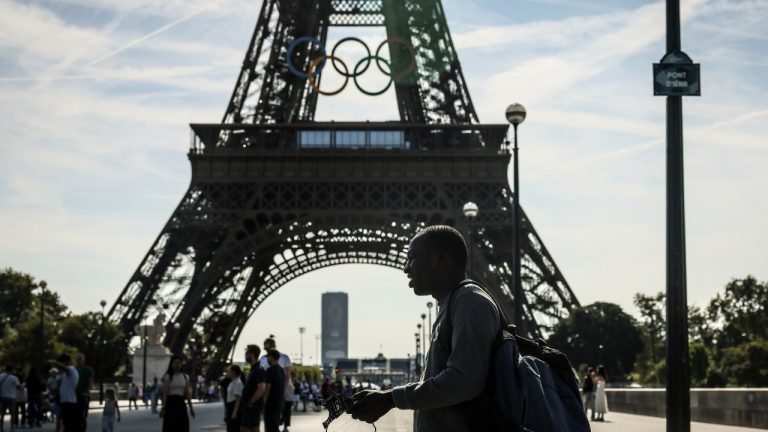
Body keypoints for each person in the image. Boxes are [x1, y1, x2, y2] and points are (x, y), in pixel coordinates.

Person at [347, 225, 502, 431]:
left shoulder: (470, 302)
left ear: (440, 260)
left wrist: (390, 399)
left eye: (412, 258)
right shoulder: (455, 303)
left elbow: (464, 380)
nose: (406, 268)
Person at [160, 355, 195, 432]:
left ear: (181, 364)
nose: (177, 365)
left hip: (181, 403)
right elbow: (165, 393)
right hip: (170, 404)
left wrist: (191, 408)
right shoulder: (168, 377)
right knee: (170, 427)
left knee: (182, 426)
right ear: (171, 364)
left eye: (179, 363)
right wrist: (163, 408)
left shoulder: (185, 377)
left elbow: (187, 393)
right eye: (175, 363)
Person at [50, 354, 81, 432]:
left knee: (69, 425)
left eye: (61, 362)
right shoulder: (64, 375)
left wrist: (54, 362)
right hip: (65, 401)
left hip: (69, 402)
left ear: (66, 362)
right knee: (66, 424)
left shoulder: (72, 370)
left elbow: (62, 367)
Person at [240, 345, 266, 432]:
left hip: (253, 406)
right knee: (244, 428)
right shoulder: (253, 369)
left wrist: (251, 401)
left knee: (254, 428)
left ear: (252, 354)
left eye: (247, 353)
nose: (245, 355)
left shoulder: (259, 369)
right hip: (248, 405)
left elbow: (262, 388)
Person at [263, 351, 285, 432]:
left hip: (271, 403)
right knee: (275, 425)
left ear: (271, 357)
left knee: (270, 426)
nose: (267, 359)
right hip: (279, 402)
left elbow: (268, 387)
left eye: (268, 357)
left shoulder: (270, 370)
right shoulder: (281, 370)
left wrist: (264, 400)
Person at [75, 353, 94, 431]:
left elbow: (90, 382)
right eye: (78, 359)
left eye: (80, 359)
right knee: (75, 415)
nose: (79, 360)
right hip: (74, 395)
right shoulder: (73, 369)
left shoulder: (88, 369)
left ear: (83, 360)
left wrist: (86, 391)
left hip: (84, 395)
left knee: (83, 415)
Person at [0, 365, 21, 432]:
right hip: (11, 397)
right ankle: (12, 428)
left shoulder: (1, 376)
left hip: (2, 396)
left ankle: (1, 427)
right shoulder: (14, 378)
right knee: (12, 413)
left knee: (2, 413)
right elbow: (18, 387)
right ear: (11, 370)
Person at [224, 365, 243, 432]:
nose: (227, 373)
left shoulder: (238, 382)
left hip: (234, 406)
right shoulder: (231, 382)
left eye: (229, 371)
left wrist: (234, 412)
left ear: (233, 372)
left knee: (234, 428)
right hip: (230, 406)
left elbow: (238, 399)